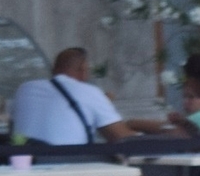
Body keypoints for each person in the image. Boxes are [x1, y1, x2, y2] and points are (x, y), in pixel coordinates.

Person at [11, 49, 172, 146]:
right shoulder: (90, 92)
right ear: (82, 70)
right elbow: (122, 139)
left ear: (54, 69)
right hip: (70, 171)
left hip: (26, 172)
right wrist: (146, 131)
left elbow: (17, 130)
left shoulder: (24, 89)